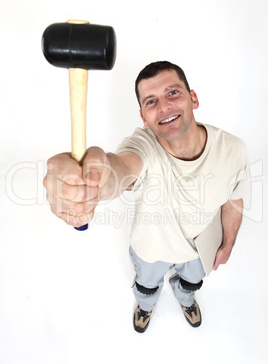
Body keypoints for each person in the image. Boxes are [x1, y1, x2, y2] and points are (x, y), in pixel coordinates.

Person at [43, 61, 250, 333]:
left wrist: (228, 243)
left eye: (173, 93)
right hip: (151, 251)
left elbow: (233, 199)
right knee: (146, 286)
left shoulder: (233, 149)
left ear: (193, 98)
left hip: (200, 250)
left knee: (191, 284)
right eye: (151, 101)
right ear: (143, 117)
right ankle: (146, 305)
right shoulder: (144, 146)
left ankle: (186, 300)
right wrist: (95, 182)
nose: (163, 106)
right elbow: (122, 168)